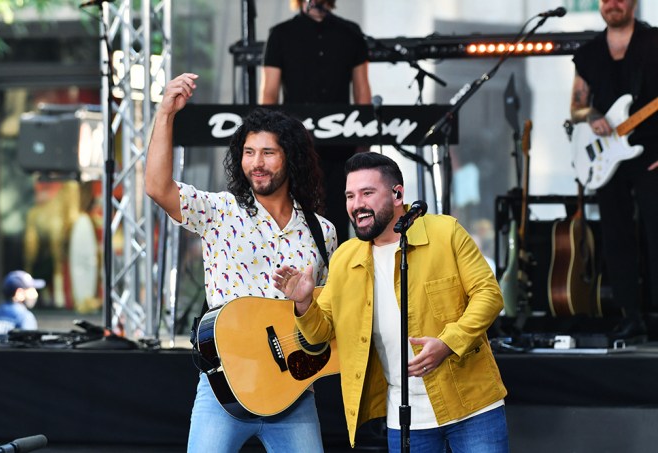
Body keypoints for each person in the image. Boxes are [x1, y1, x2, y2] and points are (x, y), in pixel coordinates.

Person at [145, 73, 338, 452]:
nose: (257, 163)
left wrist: (304, 302)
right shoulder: (221, 210)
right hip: (224, 391)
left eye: (268, 152)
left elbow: (326, 315)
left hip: (293, 392)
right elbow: (158, 187)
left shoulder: (322, 231)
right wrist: (166, 112)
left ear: (291, 158)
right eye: (249, 153)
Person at [273, 152, 509, 452]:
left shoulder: (445, 232)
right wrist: (304, 303)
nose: (357, 204)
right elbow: (320, 335)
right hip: (405, 418)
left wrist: (449, 342)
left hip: (474, 407)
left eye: (367, 193)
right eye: (349, 196)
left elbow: (489, 294)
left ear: (398, 194)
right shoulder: (346, 258)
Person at [570, 0, 658, 340]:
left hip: (651, 153)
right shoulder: (590, 53)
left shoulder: (652, 44)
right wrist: (593, 117)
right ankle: (630, 314)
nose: (613, 4)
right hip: (607, 158)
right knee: (615, 235)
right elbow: (577, 106)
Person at [260, 0, 372, 244]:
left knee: (339, 216)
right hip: (295, 144)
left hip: (340, 144)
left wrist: (364, 140)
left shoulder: (350, 32)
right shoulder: (281, 34)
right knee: (297, 212)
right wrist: (269, 140)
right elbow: (269, 93)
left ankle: (339, 275)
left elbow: (363, 90)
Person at [0, 270, 45, 341]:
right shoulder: (24, 317)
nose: (36, 294)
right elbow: (29, 349)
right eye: (31, 289)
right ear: (19, 293)